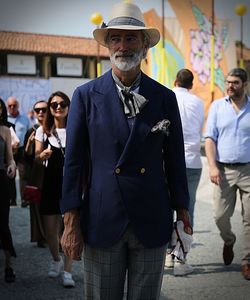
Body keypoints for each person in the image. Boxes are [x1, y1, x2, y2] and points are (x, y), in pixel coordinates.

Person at [60, 2, 191, 299]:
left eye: (131, 38)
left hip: (152, 217)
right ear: (107, 45)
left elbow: (175, 160)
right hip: (102, 217)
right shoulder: (85, 96)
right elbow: (74, 164)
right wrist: (70, 221)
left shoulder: (164, 97)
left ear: (145, 45)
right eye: (115, 38)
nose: (123, 46)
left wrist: (183, 210)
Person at [205, 68, 250, 281]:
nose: (230, 86)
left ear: (245, 84)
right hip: (222, 170)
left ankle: (247, 261)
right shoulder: (217, 107)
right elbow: (209, 139)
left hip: (248, 170)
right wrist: (212, 166)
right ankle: (229, 240)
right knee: (220, 216)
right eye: (228, 82)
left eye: (235, 83)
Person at [165, 69, 204, 275]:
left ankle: (166, 257)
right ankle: (181, 259)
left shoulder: (165, 96)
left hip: (168, 160)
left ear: (174, 81)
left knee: (165, 208)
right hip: (192, 160)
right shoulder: (198, 102)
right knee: (187, 210)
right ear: (191, 84)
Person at [35, 91, 75, 287]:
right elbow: (36, 156)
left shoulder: (76, 129)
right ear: (50, 110)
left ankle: (68, 271)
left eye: (62, 104)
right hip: (50, 186)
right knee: (51, 231)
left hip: (71, 186)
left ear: (68, 107)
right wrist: (42, 155)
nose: (58, 107)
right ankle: (56, 260)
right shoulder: (44, 131)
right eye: (54, 105)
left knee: (70, 229)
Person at [24, 100, 47, 248]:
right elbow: (26, 156)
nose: (40, 113)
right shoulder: (31, 130)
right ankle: (40, 236)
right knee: (37, 205)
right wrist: (30, 143)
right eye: (37, 110)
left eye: (43, 109)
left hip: (52, 172)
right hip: (36, 172)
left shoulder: (54, 128)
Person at [0, 98, 17, 283]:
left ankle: (8, 265)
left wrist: (12, 166)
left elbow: (10, 158)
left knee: (3, 223)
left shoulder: (5, 130)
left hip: (0, 180)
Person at [7, 97, 30, 207]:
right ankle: (12, 199)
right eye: (10, 106)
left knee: (23, 175)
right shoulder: (4, 119)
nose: (12, 108)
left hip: (21, 150)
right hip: (8, 150)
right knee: (10, 175)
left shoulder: (24, 119)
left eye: (14, 105)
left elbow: (29, 133)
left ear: (18, 106)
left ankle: (24, 200)